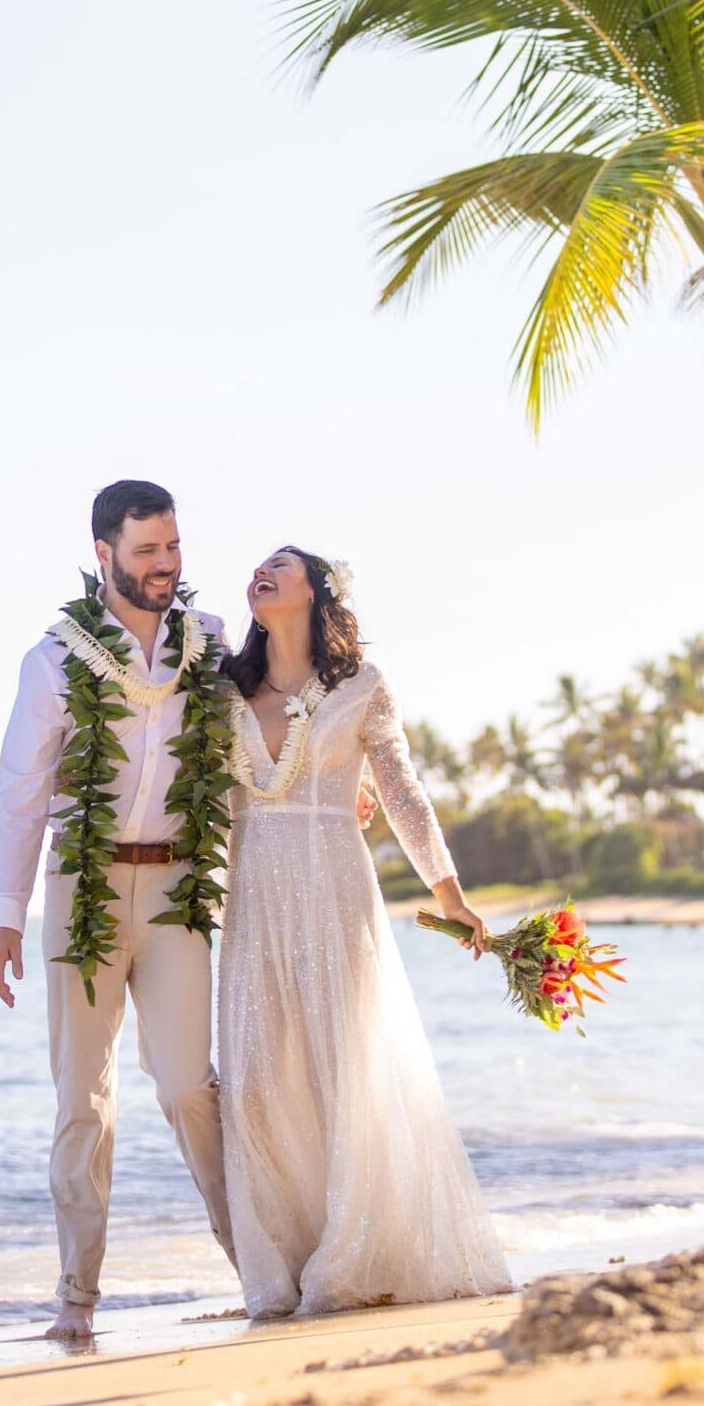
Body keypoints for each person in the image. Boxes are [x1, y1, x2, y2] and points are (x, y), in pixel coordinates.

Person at [214, 546, 514, 1317]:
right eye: (256, 564)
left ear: (315, 591)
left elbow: (402, 792)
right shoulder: (223, 693)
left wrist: (448, 892)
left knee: (341, 1065)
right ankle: (277, 1263)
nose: (261, 570)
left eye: (279, 563)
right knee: (253, 1077)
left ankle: (350, 1256)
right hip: (253, 901)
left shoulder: (363, 688)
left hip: (334, 891)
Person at [0, 481, 235, 1342]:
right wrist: (3, 913)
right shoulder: (54, 660)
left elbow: (250, 742)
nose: (165, 566)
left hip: (178, 890)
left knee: (186, 1085)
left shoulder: (209, 646)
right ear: (104, 555)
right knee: (82, 1097)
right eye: (146, 552)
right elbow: (21, 792)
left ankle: (255, 1258)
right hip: (81, 884)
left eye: (172, 548)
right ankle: (76, 1297)